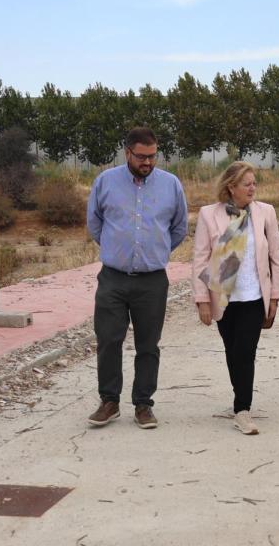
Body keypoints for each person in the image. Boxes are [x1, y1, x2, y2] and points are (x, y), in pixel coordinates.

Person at [86, 127, 188, 429]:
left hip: (152, 281)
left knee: (148, 344)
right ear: (127, 152)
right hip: (113, 278)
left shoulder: (171, 185)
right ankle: (109, 401)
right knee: (108, 340)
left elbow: (179, 227)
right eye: (141, 156)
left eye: (153, 156)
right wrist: (118, 249)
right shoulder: (105, 182)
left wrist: (154, 251)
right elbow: (95, 223)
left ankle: (143, 404)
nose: (147, 162)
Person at [192, 162, 279, 435]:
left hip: (254, 296)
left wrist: (275, 297)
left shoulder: (265, 212)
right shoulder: (210, 215)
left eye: (254, 183)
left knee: (245, 352)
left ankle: (243, 409)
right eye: (246, 184)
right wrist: (202, 301)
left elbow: (276, 258)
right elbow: (200, 259)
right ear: (231, 187)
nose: (252, 188)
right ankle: (239, 401)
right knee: (232, 352)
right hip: (224, 298)